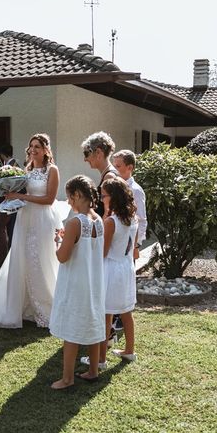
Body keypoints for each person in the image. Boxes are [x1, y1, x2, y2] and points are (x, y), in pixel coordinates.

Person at [0, 133, 61, 328]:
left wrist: (22, 196)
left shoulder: (52, 170)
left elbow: (49, 199)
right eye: (31, 146)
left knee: (42, 259)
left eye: (38, 146)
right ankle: (23, 305)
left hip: (43, 219)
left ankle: (46, 305)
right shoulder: (26, 170)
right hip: (25, 218)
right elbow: (21, 195)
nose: (33, 150)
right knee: (23, 258)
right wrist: (8, 194)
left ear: (46, 150)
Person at [49, 175, 105, 389]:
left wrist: (58, 241)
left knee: (72, 328)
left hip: (76, 281)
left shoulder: (74, 222)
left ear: (78, 195)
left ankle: (67, 378)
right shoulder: (98, 220)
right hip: (93, 280)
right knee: (92, 321)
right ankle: (92, 369)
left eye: (70, 197)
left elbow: (62, 257)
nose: (69, 201)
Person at [82, 177, 139, 371]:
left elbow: (103, 252)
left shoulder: (111, 222)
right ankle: (129, 350)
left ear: (112, 197)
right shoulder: (132, 217)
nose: (101, 198)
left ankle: (100, 360)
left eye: (104, 195)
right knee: (125, 311)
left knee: (105, 315)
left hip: (111, 269)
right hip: (126, 266)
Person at [112, 150, 147, 254]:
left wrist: (136, 245)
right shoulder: (112, 186)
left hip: (128, 243)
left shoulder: (136, 190)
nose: (114, 170)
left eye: (118, 166)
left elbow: (141, 218)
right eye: (114, 166)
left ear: (130, 168)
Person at [0, 144, 19, 267]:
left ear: (2, 154)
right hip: (10, 203)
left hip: (9, 203)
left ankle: (3, 258)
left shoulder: (10, 166)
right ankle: (8, 257)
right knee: (9, 229)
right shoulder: (14, 164)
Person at [81, 131, 119, 217]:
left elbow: (108, 213)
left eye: (86, 154)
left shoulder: (109, 177)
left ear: (98, 152)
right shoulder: (108, 174)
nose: (85, 159)